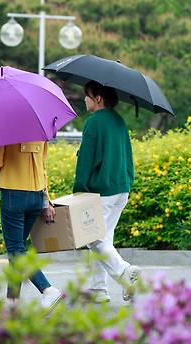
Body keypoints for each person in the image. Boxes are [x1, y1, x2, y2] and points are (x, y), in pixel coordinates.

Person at [73, 81, 141, 303]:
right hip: (121, 188)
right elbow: (127, 157)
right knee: (104, 237)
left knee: (92, 236)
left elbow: (86, 161)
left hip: (102, 190)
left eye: (87, 95)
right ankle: (98, 290)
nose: (85, 99)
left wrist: (79, 190)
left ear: (98, 98)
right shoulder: (119, 121)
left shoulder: (94, 123)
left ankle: (124, 272)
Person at [0, 140, 64, 310]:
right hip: (37, 196)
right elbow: (43, 166)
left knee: (16, 250)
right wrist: (46, 200)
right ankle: (12, 300)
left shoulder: (5, 130)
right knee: (18, 250)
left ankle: (48, 289)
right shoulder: (41, 131)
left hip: (13, 194)